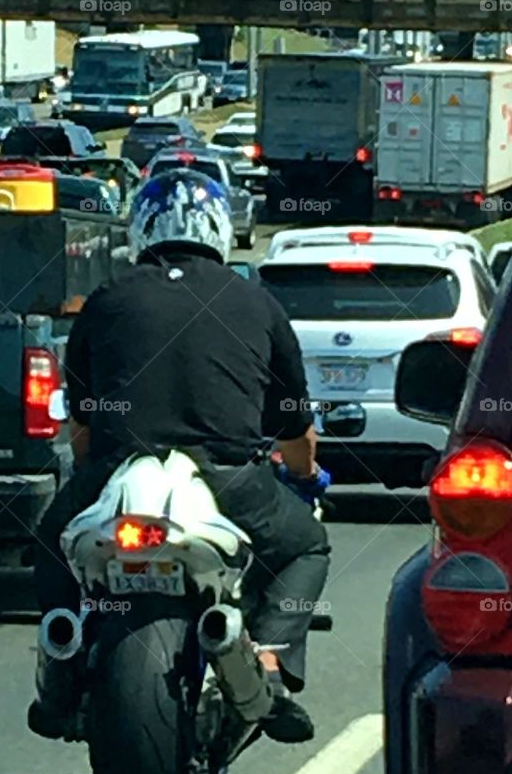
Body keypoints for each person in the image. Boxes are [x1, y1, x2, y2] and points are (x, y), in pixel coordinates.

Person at [29, 168, 331, 744]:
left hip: (117, 474)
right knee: (308, 546)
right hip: (228, 479)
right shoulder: (256, 303)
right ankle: (268, 657)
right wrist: (307, 476)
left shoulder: (107, 299)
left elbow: (84, 425)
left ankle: (61, 654)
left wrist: (93, 471)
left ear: (141, 230)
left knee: (50, 539)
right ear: (218, 230)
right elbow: (295, 428)